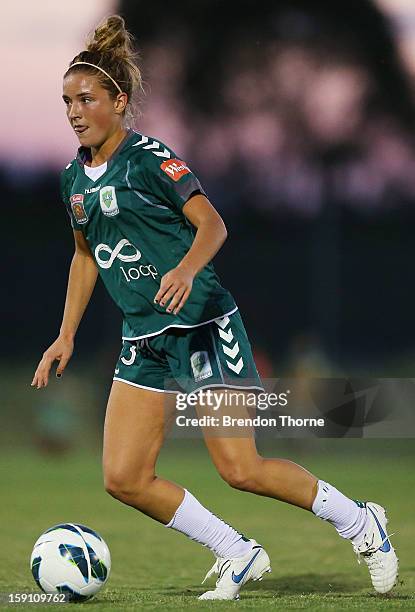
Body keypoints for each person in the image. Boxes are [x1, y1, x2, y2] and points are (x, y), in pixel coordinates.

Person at [32, 15, 398, 601]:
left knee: (241, 469)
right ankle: (237, 552)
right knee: (123, 477)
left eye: (86, 99)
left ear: (118, 102)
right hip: (144, 337)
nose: (75, 111)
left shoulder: (150, 158)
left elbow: (213, 225)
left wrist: (183, 268)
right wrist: (65, 335)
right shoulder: (72, 179)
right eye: (67, 101)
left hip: (203, 324)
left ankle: (362, 523)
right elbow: (85, 257)